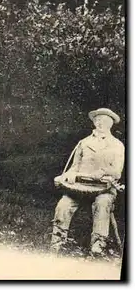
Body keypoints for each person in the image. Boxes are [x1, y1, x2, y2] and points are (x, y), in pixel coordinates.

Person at [51, 108, 125, 256]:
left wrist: (103, 172)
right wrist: (67, 176)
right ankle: (57, 243)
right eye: (97, 120)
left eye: (103, 121)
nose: (99, 123)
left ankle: (98, 246)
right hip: (79, 187)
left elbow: (117, 172)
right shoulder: (83, 143)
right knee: (63, 205)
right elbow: (74, 167)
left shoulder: (117, 145)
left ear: (110, 124)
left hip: (104, 188)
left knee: (103, 203)